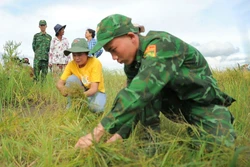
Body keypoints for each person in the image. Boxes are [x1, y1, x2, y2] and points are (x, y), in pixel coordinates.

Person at [75, 14, 236, 153]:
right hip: (174, 106)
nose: (114, 57)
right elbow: (135, 101)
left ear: (131, 37)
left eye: (113, 49)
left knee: (220, 151)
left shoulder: (161, 44)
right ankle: (150, 143)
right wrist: (119, 136)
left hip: (202, 104)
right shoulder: (132, 65)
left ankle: (215, 122)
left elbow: (140, 91)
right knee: (135, 94)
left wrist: (96, 133)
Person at [56, 38, 106, 113]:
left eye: (79, 55)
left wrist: (80, 96)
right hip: (83, 90)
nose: (76, 58)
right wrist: (62, 89)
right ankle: (72, 106)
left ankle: (84, 105)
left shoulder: (95, 62)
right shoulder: (71, 64)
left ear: (86, 53)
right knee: (71, 79)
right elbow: (59, 83)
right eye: (74, 55)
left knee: (96, 108)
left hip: (96, 92)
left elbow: (94, 89)